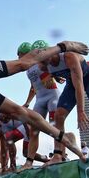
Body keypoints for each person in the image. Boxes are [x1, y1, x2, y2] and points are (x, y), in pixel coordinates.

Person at [40, 48, 89, 165]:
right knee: (58, 115)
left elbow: (79, 86)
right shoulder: (43, 65)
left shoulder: (69, 57)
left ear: (53, 53)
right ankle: (57, 155)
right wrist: (56, 77)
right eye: (43, 61)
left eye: (49, 59)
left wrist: (80, 111)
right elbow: (51, 72)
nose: (48, 64)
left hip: (88, 80)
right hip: (71, 84)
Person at [19, 40, 61, 170]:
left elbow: (51, 70)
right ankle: (29, 162)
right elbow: (33, 86)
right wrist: (27, 102)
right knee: (34, 131)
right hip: (40, 99)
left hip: (52, 96)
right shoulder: (27, 69)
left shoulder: (40, 61)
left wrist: (56, 76)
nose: (18, 58)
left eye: (19, 55)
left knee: (54, 127)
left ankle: (58, 155)